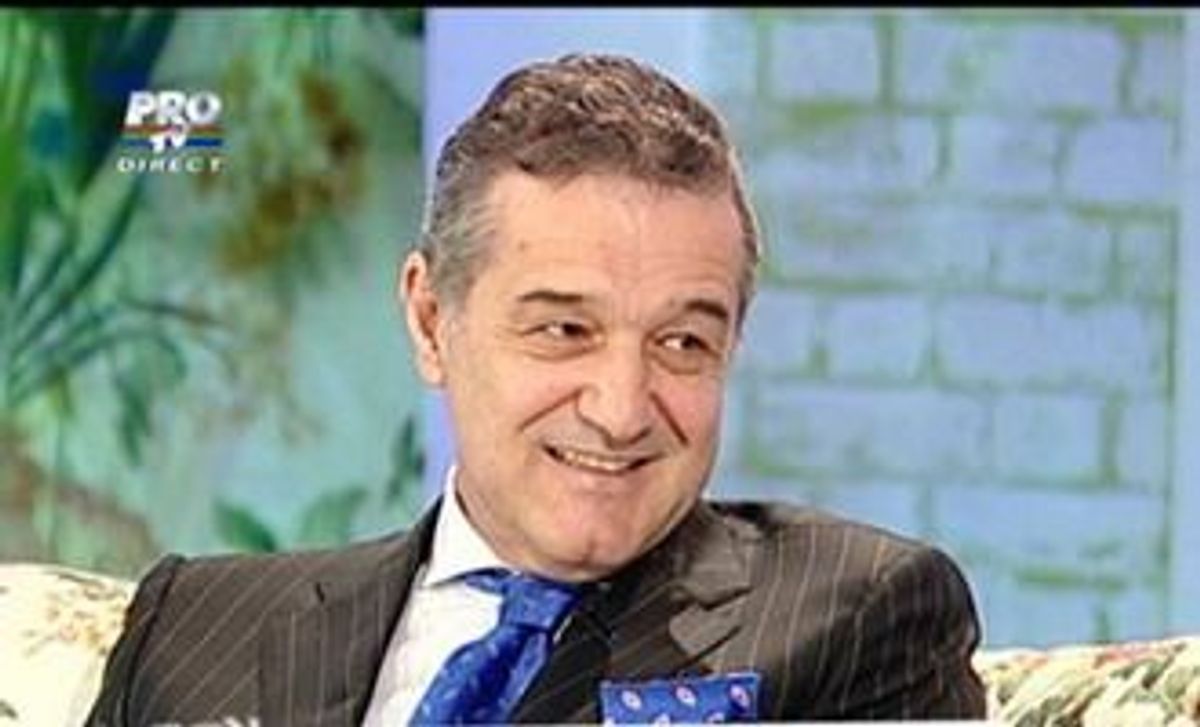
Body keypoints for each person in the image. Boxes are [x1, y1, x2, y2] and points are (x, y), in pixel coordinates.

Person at [86, 53, 987, 726]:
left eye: (682, 342)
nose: (621, 409)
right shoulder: (194, 624)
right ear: (431, 320)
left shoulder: (854, 614)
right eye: (564, 330)